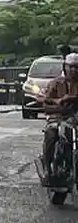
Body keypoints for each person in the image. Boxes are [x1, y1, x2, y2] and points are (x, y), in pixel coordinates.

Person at [39, 53, 78, 185]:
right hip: (58, 118)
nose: (74, 70)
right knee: (51, 133)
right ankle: (47, 169)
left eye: (76, 67)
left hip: (75, 120)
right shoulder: (55, 83)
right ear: (65, 67)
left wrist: (70, 98)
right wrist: (58, 105)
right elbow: (46, 104)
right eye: (71, 67)